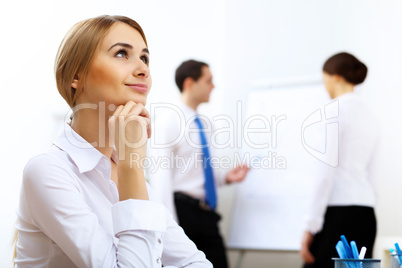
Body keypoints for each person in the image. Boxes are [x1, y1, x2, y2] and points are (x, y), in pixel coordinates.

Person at [14, 15, 212, 267]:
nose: (143, 69)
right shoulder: (48, 170)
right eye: (121, 54)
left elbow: (194, 263)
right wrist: (132, 163)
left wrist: (131, 166)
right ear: (76, 76)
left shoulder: (133, 177)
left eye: (145, 58)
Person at [149, 59, 250, 268]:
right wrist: (168, 230)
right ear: (189, 83)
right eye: (208, 81)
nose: (213, 86)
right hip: (182, 214)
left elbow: (200, 173)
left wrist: (225, 178)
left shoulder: (206, 124)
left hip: (208, 215)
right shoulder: (167, 123)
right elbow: (161, 182)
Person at [299, 52, 379, 268]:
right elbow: (374, 172)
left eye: (324, 78)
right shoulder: (370, 115)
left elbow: (324, 174)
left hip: (336, 215)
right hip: (366, 213)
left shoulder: (331, 112)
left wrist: (310, 226)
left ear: (335, 77)